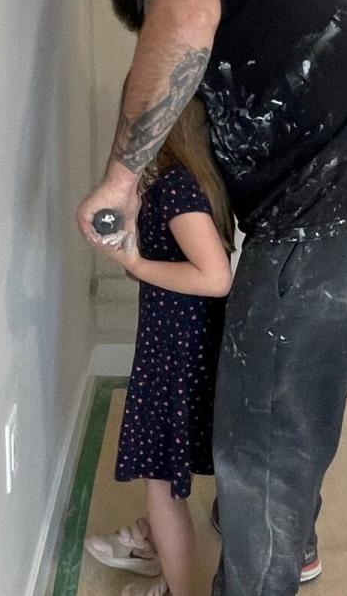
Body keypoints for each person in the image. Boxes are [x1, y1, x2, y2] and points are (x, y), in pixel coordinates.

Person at [77, 0, 347, 596]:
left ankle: (261, 568)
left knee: (261, 437)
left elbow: (181, 22)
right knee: (288, 406)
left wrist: (121, 178)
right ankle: (288, 542)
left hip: (332, 202)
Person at [85, 100, 235, 596]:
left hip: (173, 353)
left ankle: (179, 589)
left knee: (161, 482)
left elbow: (215, 278)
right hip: (185, 345)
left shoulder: (174, 187)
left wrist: (137, 263)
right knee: (168, 473)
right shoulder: (200, 182)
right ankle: (159, 550)